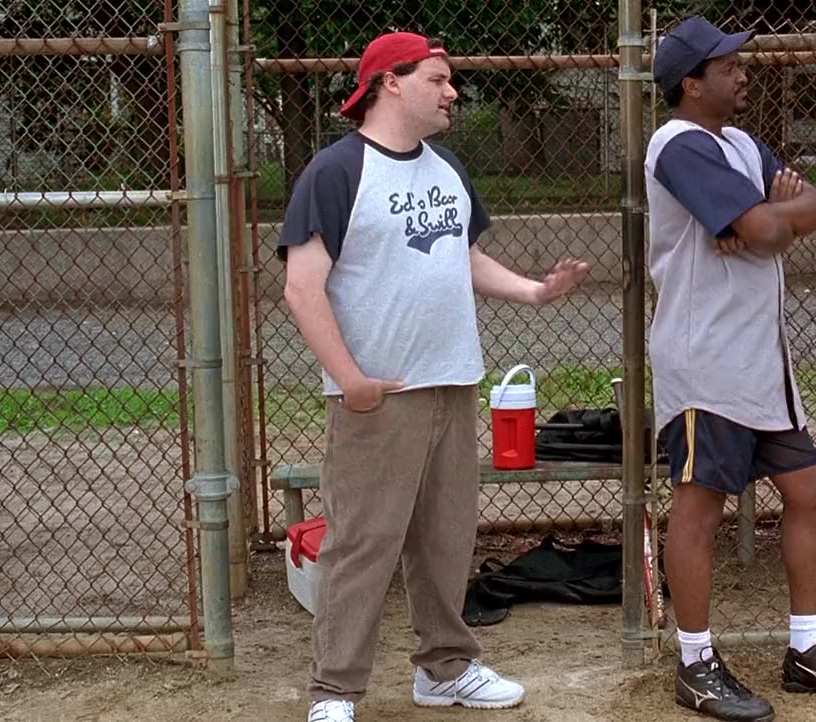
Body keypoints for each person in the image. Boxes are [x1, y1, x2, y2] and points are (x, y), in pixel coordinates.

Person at [277, 31, 590, 722]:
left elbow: (461, 256)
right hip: (380, 394)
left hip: (452, 379)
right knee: (364, 544)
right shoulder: (338, 171)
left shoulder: (446, 168)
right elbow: (302, 286)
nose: (452, 93)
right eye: (438, 79)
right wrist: (350, 379)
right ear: (391, 82)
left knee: (446, 539)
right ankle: (334, 691)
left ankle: (444, 669)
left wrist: (535, 291)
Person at [644, 15, 816, 722]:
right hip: (705, 357)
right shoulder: (677, 143)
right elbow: (770, 229)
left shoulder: (741, 143)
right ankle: (695, 664)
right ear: (692, 84)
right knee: (700, 506)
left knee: (811, 491)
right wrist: (768, 217)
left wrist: (766, 218)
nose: (742, 73)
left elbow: (815, 210)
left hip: (759, 360)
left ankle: (807, 650)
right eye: (727, 66)